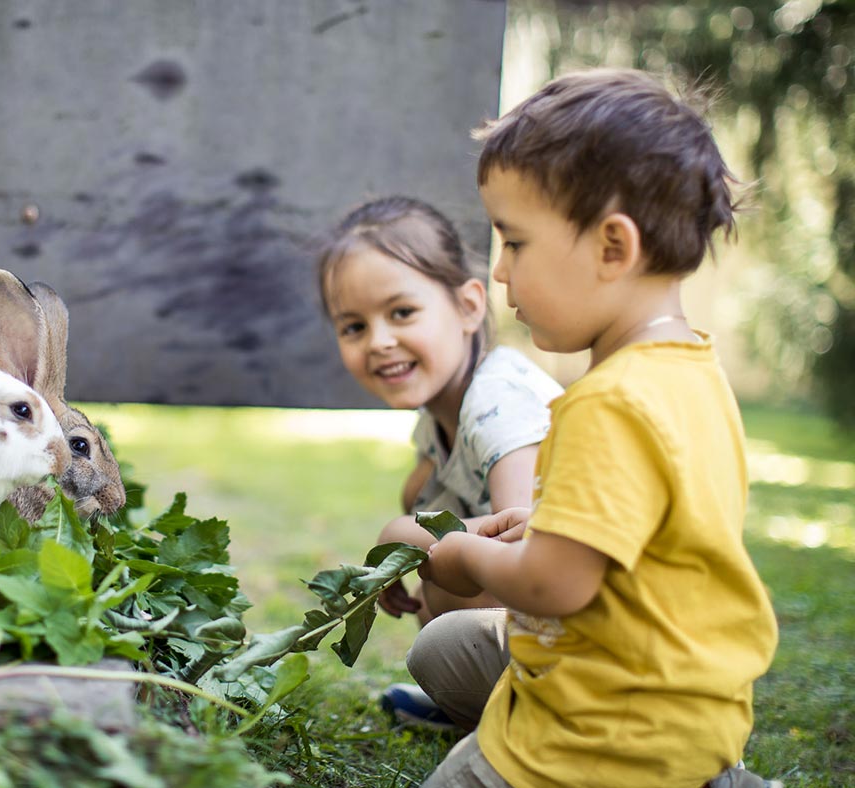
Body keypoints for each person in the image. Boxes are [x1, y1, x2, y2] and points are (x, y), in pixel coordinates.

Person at [417, 68, 780, 787]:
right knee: (441, 650)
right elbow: (651, 532)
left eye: (515, 243)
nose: (498, 275)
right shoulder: (691, 371)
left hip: (609, 730)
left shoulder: (608, 401)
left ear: (613, 248)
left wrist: (462, 557)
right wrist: (547, 522)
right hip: (686, 699)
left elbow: (552, 587)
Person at [316, 196, 563, 728]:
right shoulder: (441, 414)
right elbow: (427, 494)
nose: (379, 341)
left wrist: (399, 536)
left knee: (432, 566)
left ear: (469, 307)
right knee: (428, 549)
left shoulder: (498, 403)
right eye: (353, 326)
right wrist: (414, 518)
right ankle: (487, 706)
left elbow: (525, 539)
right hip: (553, 624)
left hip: (592, 625)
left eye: (402, 312)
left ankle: (522, 718)